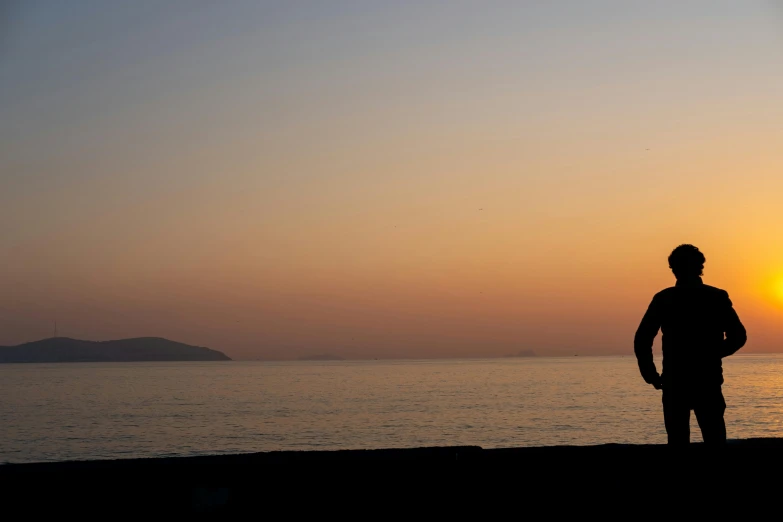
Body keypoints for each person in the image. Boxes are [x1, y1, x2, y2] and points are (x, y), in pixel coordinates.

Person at [634, 244, 746, 445]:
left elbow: (642, 339)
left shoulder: (665, 298)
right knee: (714, 438)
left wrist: (650, 374)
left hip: (679, 380)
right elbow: (738, 336)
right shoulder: (715, 297)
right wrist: (713, 354)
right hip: (703, 379)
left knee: (680, 440)